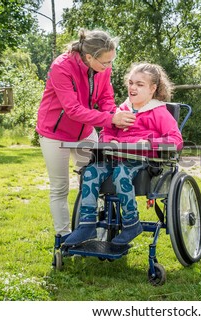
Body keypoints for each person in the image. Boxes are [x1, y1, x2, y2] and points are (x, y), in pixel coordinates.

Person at [64, 62, 183, 246]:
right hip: (115, 157)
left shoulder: (159, 112)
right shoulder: (122, 110)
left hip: (144, 161)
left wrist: (150, 143)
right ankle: (87, 225)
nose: (133, 88)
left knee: (121, 173)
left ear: (153, 89)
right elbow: (108, 130)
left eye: (139, 84)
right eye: (131, 83)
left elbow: (176, 139)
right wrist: (110, 140)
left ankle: (131, 223)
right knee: (90, 172)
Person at [36, 29, 135, 237]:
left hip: (85, 132)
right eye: (105, 63)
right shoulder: (61, 67)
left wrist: (114, 117)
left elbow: (106, 99)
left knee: (96, 179)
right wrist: (109, 119)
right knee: (60, 188)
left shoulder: (103, 68)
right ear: (89, 57)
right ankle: (64, 237)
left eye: (111, 62)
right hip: (54, 134)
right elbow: (72, 109)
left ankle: (95, 231)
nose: (109, 67)